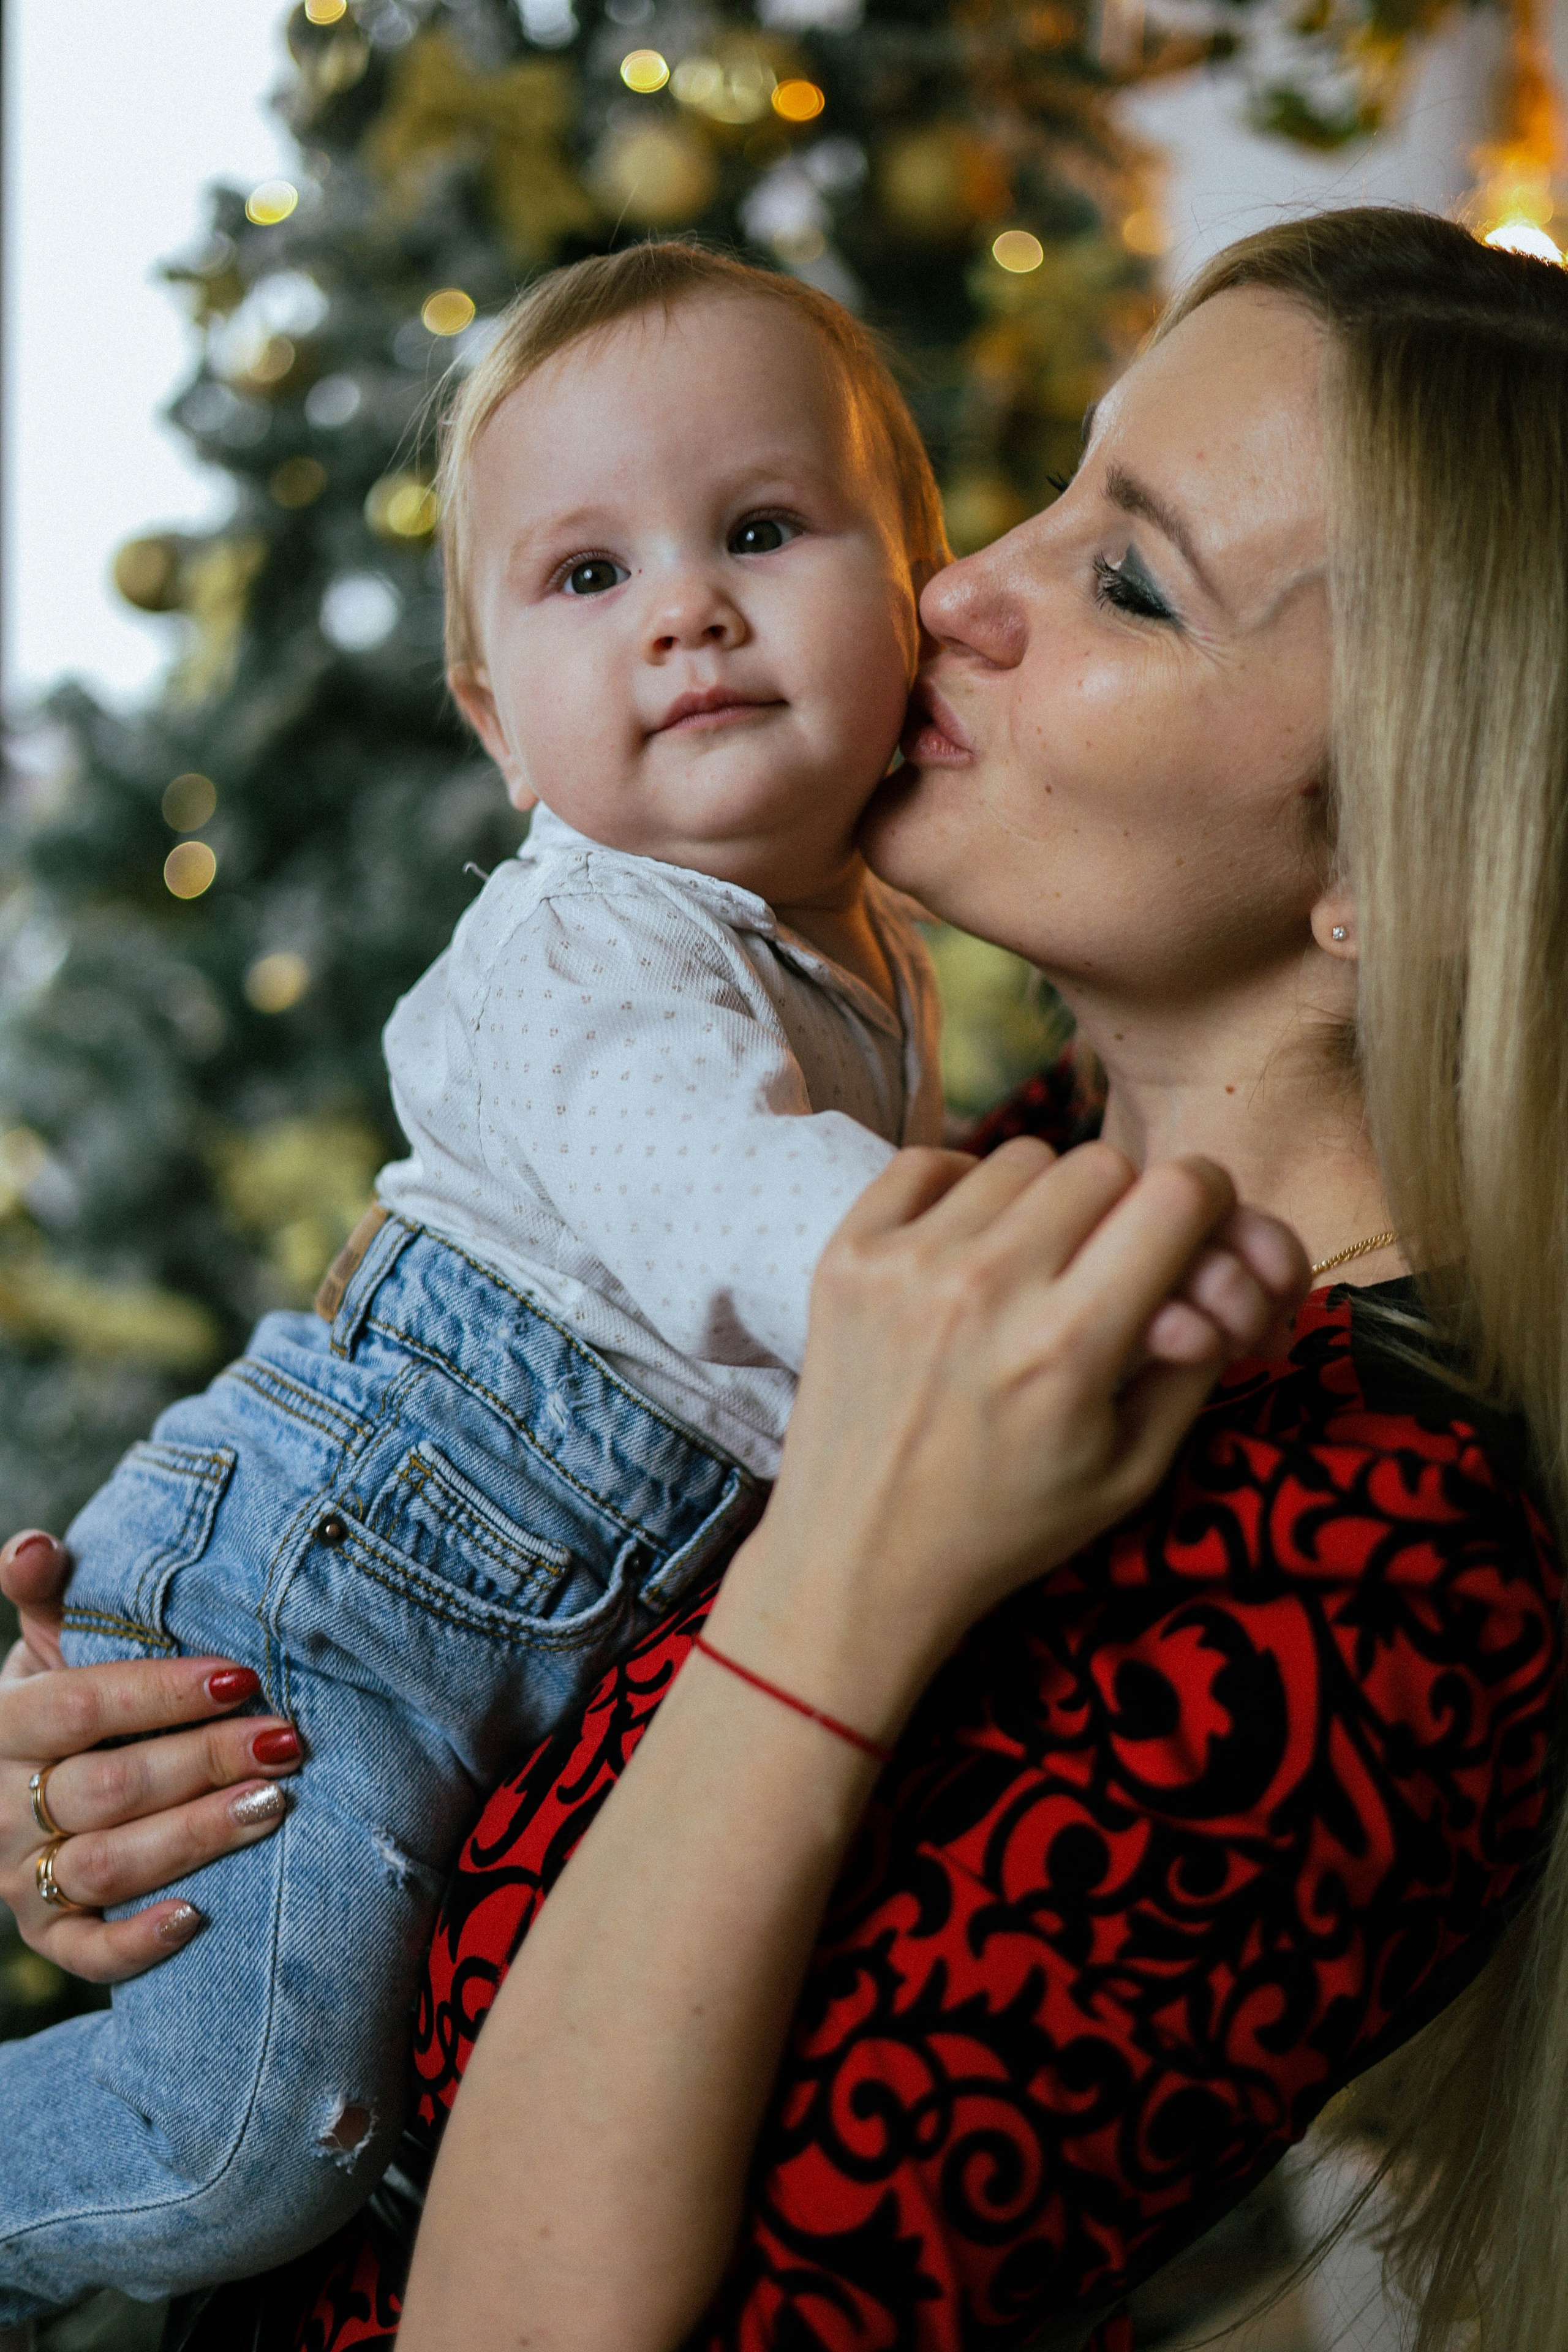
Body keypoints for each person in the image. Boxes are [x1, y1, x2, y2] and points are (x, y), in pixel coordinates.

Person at [3, 203, 1565, 2352]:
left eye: (1128, 578)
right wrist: (174, 1821)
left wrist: (848, 1571)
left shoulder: (1388, 1586)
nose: (964, 589)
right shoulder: (985, 1162)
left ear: (1398, 855)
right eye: (1054, 490)